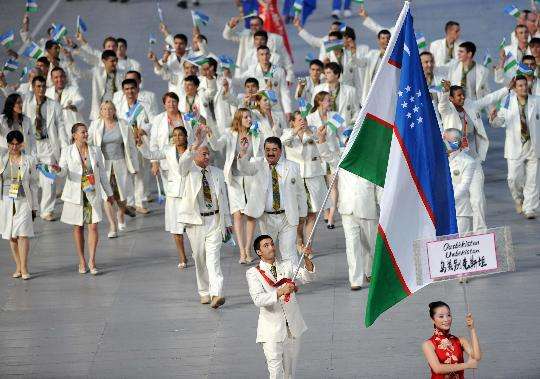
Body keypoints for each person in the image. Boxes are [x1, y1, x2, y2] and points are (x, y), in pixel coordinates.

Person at [439, 80, 510, 231]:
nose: (462, 98)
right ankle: (461, 236)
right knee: (461, 202)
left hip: (473, 159)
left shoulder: (470, 106)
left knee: (478, 199)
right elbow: (442, 106)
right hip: (456, 161)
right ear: (451, 98)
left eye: (463, 95)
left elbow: (487, 99)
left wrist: (506, 89)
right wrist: (445, 93)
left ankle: (481, 233)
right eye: (458, 96)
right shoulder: (448, 110)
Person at [246, 235, 315, 379]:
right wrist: (280, 292)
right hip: (271, 330)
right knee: (275, 372)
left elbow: (308, 277)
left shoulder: (287, 265)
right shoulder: (253, 273)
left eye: (272, 244)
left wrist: (307, 258)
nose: (271, 247)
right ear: (259, 252)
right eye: (266, 245)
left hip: (293, 328)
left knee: (289, 373)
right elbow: (258, 299)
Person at [318, 126, 377, 290]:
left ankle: (370, 271)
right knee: (352, 246)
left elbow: (379, 187)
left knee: (370, 245)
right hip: (347, 210)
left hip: (368, 210)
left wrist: (382, 206)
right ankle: (355, 280)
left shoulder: (371, 162)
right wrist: (322, 140)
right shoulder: (342, 161)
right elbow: (326, 156)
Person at [177, 135, 232, 308]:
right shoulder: (188, 171)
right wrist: (191, 147)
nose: (207, 157)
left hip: (215, 220)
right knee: (199, 258)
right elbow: (182, 164)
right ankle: (204, 292)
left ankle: (217, 293)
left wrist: (227, 222)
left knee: (213, 260)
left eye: (208, 154)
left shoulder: (217, 173)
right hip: (197, 222)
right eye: (203, 154)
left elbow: (224, 199)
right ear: (195, 155)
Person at [237, 137, 307, 263]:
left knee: (289, 252)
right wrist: (243, 152)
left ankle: (290, 281)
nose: (271, 153)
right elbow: (244, 168)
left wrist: (302, 215)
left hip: (287, 216)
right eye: (268, 150)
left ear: (280, 151)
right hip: (267, 218)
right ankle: (274, 281)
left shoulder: (292, 166)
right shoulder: (258, 165)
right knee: (269, 254)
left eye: (274, 150)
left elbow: (300, 192)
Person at [207, 108, 263, 264]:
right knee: (237, 214)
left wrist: (245, 156)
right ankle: (241, 251)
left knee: (250, 214)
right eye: (245, 117)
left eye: (250, 117)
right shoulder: (230, 133)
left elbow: (259, 156)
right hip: (234, 179)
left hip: (251, 177)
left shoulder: (256, 134)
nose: (249, 119)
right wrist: (210, 134)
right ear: (238, 119)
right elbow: (217, 146)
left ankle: (248, 249)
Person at [58, 123, 115, 275]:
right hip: (75, 193)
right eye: (82, 132)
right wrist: (57, 170)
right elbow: (63, 172)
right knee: (78, 227)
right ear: (74, 135)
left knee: (93, 226)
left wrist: (109, 193)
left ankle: (92, 260)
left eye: (86, 132)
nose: (85, 134)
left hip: (92, 193)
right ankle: (82, 260)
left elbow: (102, 173)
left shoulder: (95, 151)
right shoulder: (67, 151)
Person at [139, 126, 191, 269]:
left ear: (186, 136)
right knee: (176, 228)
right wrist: (140, 143)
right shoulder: (168, 150)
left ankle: (199, 253)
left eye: (180, 135)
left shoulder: (192, 150)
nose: (177, 137)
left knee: (193, 226)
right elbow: (150, 154)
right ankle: (182, 257)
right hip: (173, 193)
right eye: (174, 135)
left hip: (190, 192)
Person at [490, 75, 540, 219]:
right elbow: (499, 122)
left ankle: (530, 208)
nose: (523, 88)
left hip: (533, 145)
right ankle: (519, 200)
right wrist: (493, 118)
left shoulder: (536, 101)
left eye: (525, 85)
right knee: (513, 178)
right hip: (514, 146)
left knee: (533, 179)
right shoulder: (507, 101)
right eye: (520, 86)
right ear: (514, 88)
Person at [88, 101, 138, 237]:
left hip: (120, 163)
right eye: (104, 109)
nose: (107, 111)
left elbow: (131, 147)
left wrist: (135, 166)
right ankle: (112, 225)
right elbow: (90, 144)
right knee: (106, 196)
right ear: (100, 111)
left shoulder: (123, 125)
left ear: (114, 110)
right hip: (103, 165)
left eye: (110, 109)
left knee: (121, 195)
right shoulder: (95, 125)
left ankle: (121, 213)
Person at [281, 112, 329, 255]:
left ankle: (308, 246)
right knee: (299, 217)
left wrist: (317, 136)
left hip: (312, 178)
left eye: (304, 119)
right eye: (299, 120)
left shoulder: (313, 132)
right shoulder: (288, 134)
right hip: (296, 180)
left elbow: (321, 147)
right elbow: (281, 141)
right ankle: (299, 241)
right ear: (293, 122)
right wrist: (295, 131)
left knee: (312, 215)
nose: (303, 122)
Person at [22, 75, 67, 221]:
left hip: (48, 145)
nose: (41, 89)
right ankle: (30, 207)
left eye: (43, 86)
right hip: (31, 145)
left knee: (49, 179)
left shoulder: (54, 105)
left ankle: (47, 210)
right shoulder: (26, 102)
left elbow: (60, 126)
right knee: (31, 179)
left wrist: (65, 147)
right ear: (33, 88)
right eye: (38, 86)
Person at [0, 131, 38, 280]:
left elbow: (34, 183)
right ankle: (18, 265)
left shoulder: (28, 160)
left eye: (17, 144)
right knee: (11, 235)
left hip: (24, 200)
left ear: (22, 144)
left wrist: (35, 206)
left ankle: (24, 266)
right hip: (7, 201)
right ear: (8, 145)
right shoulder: (2, 160)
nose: (14, 147)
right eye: (11, 144)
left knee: (23, 234)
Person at [306, 91, 342, 229]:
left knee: (333, 185)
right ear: (320, 101)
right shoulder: (310, 118)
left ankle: (331, 216)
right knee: (323, 186)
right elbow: (309, 136)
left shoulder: (336, 116)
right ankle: (326, 211)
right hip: (317, 156)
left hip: (332, 155)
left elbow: (341, 134)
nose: (330, 102)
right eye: (327, 100)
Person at [422, 301, 481, 378]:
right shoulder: (428, 344)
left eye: (448, 315)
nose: (446, 319)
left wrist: (472, 329)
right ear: (432, 320)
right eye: (441, 316)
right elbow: (438, 369)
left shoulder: (460, 341)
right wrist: (467, 365)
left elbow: (477, 356)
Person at [443, 129, 475, 234]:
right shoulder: (440, 159)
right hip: (443, 210)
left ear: (455, 143)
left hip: (460, 211)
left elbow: (464, 186)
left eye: (446, 140)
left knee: (461, 244)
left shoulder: (468, 162)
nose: (443, 142)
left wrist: (449, 200)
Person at [45, 67, 85, 139]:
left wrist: (74, 106)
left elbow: (80, 100)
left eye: (61, 77)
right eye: (56, 77)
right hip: (54, 131)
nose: (59, 80)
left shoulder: (73, 90)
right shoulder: (47, 93)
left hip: (71, 128)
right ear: (51, 79)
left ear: (65, 77)